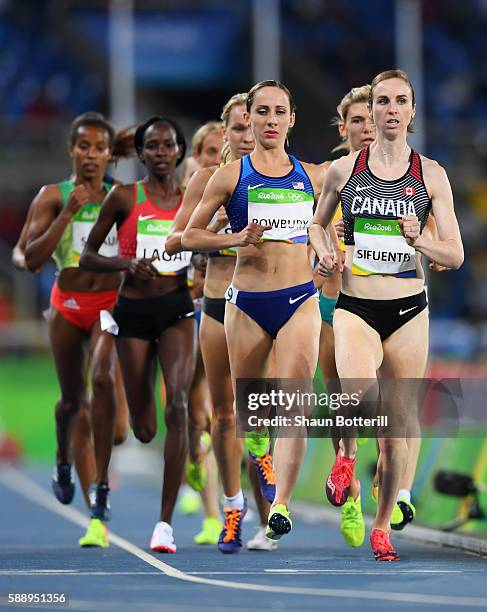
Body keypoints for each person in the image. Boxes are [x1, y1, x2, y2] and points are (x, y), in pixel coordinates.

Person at [309, 69, 463, 561]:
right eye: (383, 101)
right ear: (371, 112)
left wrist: (420, 239)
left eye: (401, 101)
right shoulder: (344, 170)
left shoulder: (431, 174)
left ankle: (382, 526)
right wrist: (325, 251)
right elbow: (316, 223)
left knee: (398, 423)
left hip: (408, 307)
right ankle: (348, 457)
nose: (391, 109)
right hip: (356, 304)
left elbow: (455, 252)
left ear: (411, 112)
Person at [182, 80, 330, 552]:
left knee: (292, 400)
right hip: (245, 301)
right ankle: (256, 459)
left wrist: (327, 251)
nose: (268, 120)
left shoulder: (313, 176)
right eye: (260, 111)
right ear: (249, 118)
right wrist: (235, 239)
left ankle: (280, 505)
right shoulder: (227, 178)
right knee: (247, 414)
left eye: (277, 111)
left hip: (298, 298)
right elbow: (187, 237)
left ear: (291, 119)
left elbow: (332, 226)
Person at [80, 116, 196, 554]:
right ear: (143, 153)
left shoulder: (190, 199)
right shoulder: (124, 197)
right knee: (145, 429)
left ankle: (164, 524)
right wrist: (125, 265)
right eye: (153, 146)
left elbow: (206, 241)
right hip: (133, 310)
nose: (161, 152)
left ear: (179, 151)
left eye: (169, 145)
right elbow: (89, 255)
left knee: (179, 406)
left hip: (177, 308)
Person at [167, 92, 278, 551]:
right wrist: (223, 233)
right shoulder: (211, 181)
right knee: (223, 414)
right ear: (226, 132)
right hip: (216, 304)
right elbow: (176, 239)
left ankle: (271, 515)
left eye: (252, 128)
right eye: (237, 129)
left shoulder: (282, 177)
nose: (247, 136)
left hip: (265, 304)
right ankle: (232, 510)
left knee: (262, 412)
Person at [24, 112, 131, 547]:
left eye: (99, 147)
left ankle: (95, 485)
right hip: (67, 305)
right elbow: (32, 259)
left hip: (109, 306)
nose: (91, 155)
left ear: (109, 153)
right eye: (83, 146)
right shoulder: (53, 195)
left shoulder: (121, 198)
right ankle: (79, 484)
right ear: (72, 149)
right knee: (73, 402)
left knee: (116, 421)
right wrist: (67, 213)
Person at [180, 121, 223, 187]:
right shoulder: (180, 195)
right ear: (196, 154)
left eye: (225, 153)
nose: (218, 161)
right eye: (211, 152)